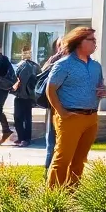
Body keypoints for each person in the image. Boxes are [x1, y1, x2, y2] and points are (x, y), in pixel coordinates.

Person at [46, 26, 105, 187]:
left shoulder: (96, 66)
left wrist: (102, 91)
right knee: (62, 159)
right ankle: (53, 199)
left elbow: (100, 87)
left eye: (95, 40)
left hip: (91, 118)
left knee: (80, 160)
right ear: (79, 41)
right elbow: (50, 90)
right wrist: (61, 112)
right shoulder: (64, 64)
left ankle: (72, 194)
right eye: (91, 40)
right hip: (70, 117)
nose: (95, 43)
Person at [41, 38, 67, 171]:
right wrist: (56, 57)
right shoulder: (54, 61)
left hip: (70, 107)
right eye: (61, 45)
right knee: (52, 141)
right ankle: (48, 171)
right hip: (54, 107)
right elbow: (43, 71)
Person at [11, 47, 39, 147]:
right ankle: (22, 138)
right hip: (22, 96)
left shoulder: (30, 66)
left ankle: (25, 139)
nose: (25, 54)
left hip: (26, 96)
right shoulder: (22, 65)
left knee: (24, 119)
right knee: (21, 118)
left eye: (27, 53)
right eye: (24, 52)